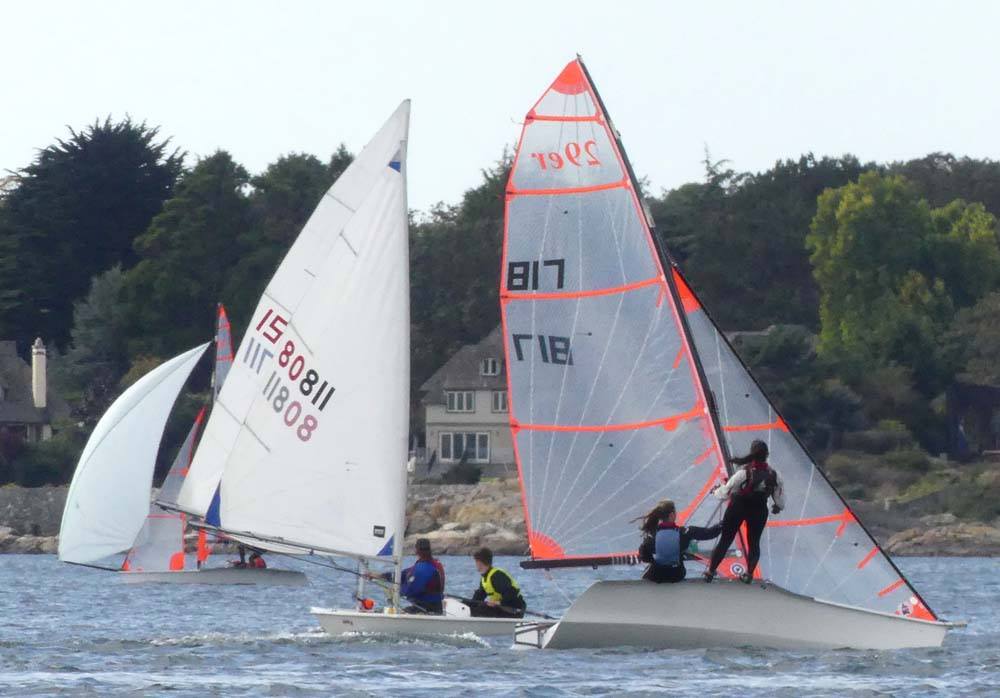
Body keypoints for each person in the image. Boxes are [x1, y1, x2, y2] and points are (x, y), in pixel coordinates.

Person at [704, 440, 785, 584]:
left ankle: (710, 572)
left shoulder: (743, 473)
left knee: (725, 540)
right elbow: (780, 501)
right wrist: (777, 507)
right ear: (767, 455)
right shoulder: (774, 475)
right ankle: (748, 574)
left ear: (752, 453)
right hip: (759, 510)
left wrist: (715, 491)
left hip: (738, 507)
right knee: (754, 543)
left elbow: (724, 492)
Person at [636, 499, 722, 583]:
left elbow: (643, 554)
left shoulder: (652, 534)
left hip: (656, 575)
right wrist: (723, 523)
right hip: (677, 575)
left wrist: (653, 561)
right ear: (672, 515)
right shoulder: (684, 532)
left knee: (652, 569)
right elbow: (710, 533)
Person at [375, 538, 446, 614]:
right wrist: (380, 576)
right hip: (431, 607)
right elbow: (403, 575)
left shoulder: (424, 568)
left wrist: (398, 591)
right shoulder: (431, 564)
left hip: (427, 609)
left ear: (416, 550)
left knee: (395, 611)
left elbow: (413, 589)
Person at [469, 547, 526, 618]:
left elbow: (512, 592)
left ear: (480, 562)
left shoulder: (497, 576)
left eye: (476, 561)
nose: (475, 564)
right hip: (501, 609)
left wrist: (499, 603)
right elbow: (478, 598)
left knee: (481, 609)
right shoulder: (485, 578)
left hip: (514, 609)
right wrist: (464, 605)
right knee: (473, 608)